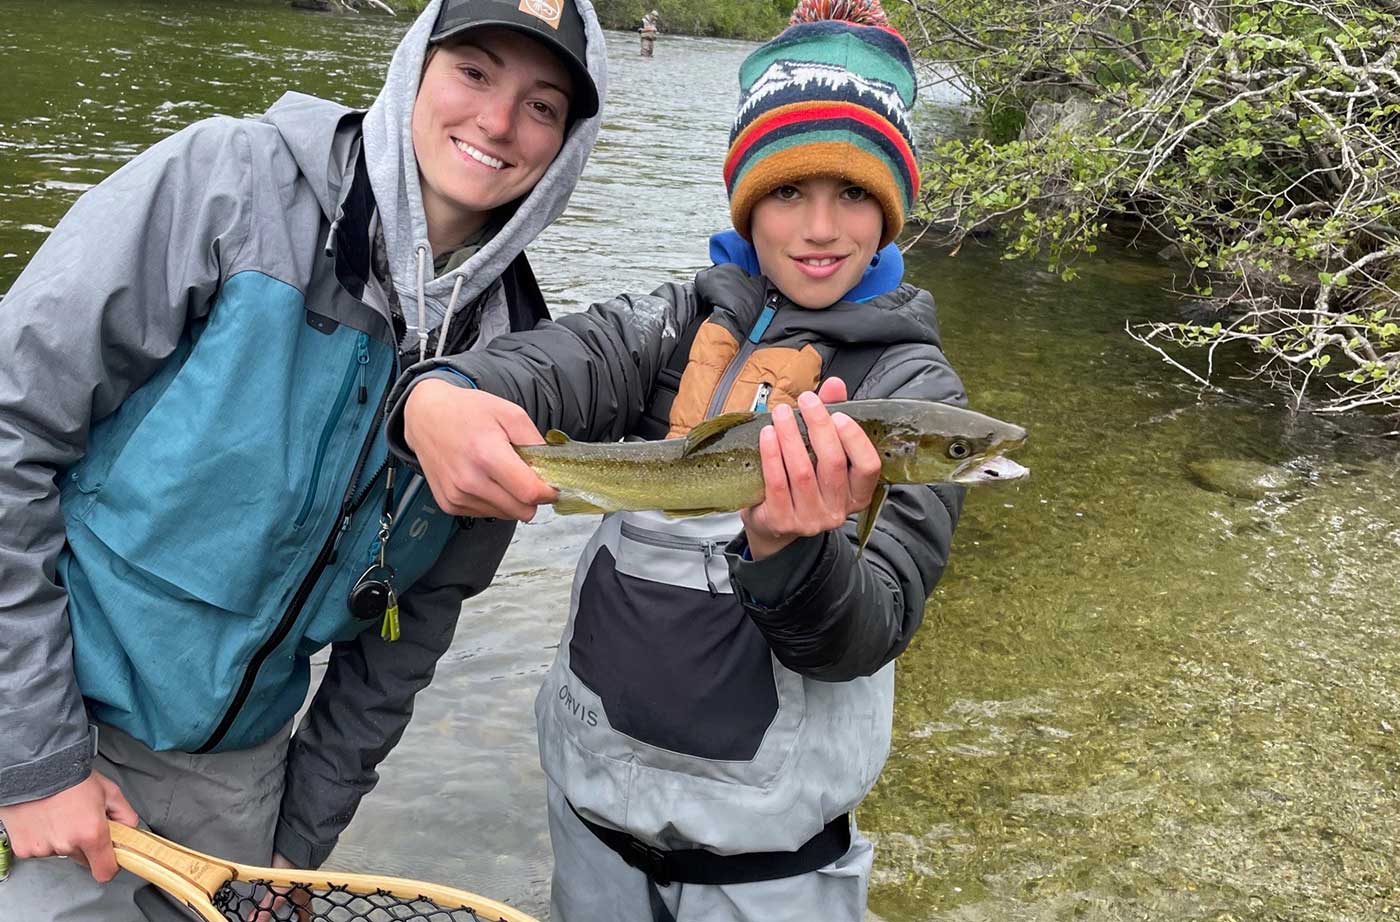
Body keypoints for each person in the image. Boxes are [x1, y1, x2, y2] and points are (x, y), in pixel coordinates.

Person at [0, 0, 605, 917]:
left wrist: (296, 849)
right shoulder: (227, 181)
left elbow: (407, 642)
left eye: (543, 104)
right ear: (413, 67)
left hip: (244, 779)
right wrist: (35, 757)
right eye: (474, 71)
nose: (497, 121)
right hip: (59, 717)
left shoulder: (518, 361)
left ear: (565, 146)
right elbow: (14, 428)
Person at [386, 0, 965, 918]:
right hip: (589, 820)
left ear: (892, 207)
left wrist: (794, 555)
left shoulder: (912, 388)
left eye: (853, 193)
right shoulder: (677, 323)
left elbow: (868, 630)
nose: (820, 227)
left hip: (770, 868)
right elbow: (558, 359)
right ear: (746, 199)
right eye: (787, 192)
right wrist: (438, 391)